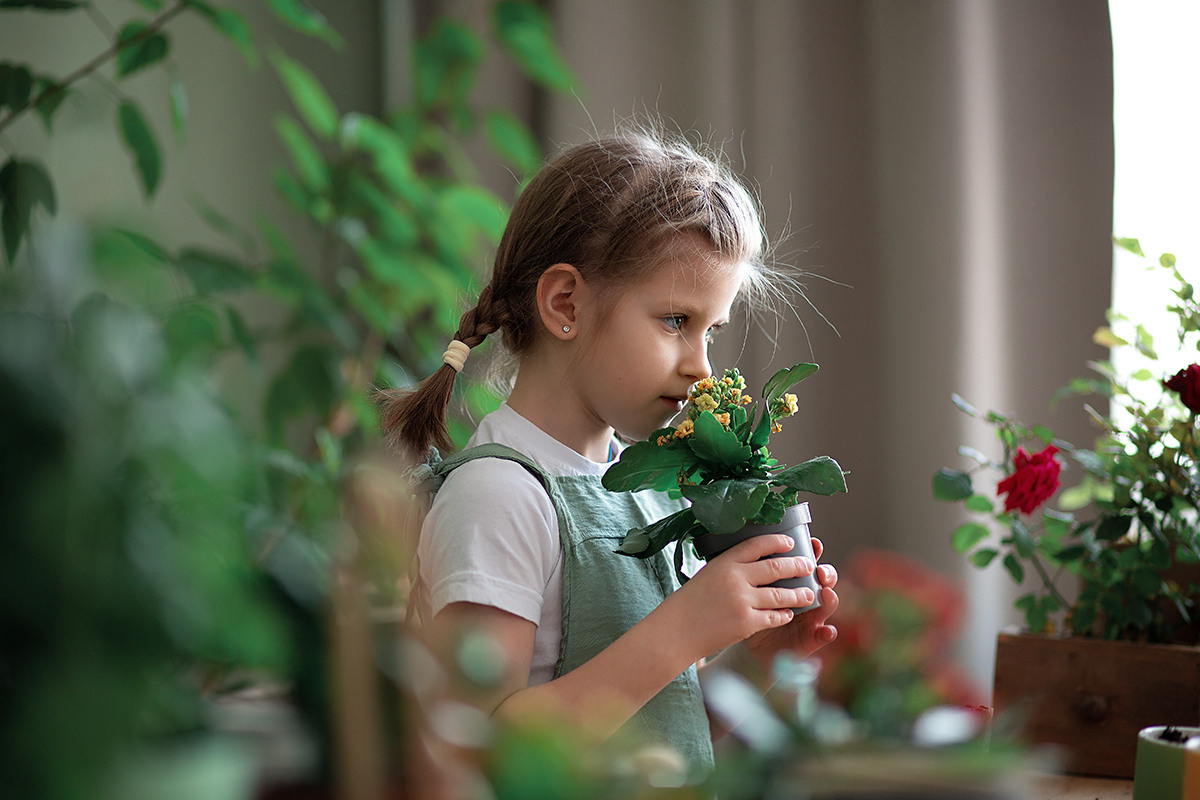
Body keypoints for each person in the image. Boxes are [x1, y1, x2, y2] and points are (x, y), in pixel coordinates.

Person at [381, 130, 840, 781]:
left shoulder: (644, 489)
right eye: (676, 321)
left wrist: (756, 661)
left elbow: (653, 728)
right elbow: (473, 750)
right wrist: (683, 630)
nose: (702, 367)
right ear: (565, 304)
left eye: (711, 330)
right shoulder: (500, 496)